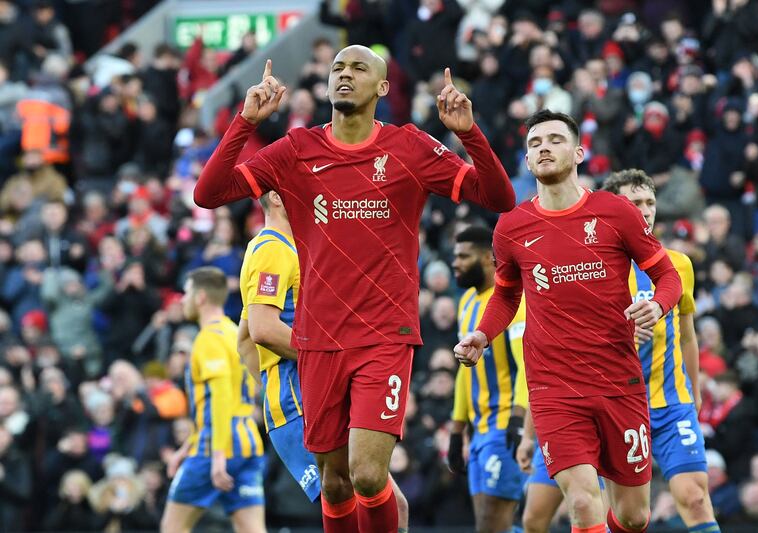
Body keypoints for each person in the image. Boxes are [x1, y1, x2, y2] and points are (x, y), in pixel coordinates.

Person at [194, 44, 515, 533]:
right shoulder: (296, 150)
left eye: (358, 68)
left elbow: (499, 197)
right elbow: (207, 193)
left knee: (368, 475)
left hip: (385, 335)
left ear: (383, 87)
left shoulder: (409, 147)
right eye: (337, 68)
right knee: (336, 483)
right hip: (318, 339)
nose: (344, 75)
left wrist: (469, 134)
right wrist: (245, 122)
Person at [455, 109, 682, 533]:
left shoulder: (616, 212)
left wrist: (658, 304)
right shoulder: (511, 227)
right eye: (535, 142)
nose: (544, 147)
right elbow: (506, 295)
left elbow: (666, 276)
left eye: (555, 139)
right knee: (580, 500)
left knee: (633, 517)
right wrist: (483, 334)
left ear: (578, 152)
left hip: (618, 379)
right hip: (555, 385)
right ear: (526, 161)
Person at [236, 191, 409, 530]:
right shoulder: (272, 249)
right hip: (298, 396)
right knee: (354, 499)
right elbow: (262, 329)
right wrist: (289, 389)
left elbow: (243, 337)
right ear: (275, 196)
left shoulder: (293, 248)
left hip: (314, 389)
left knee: (389, 504)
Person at [602, 169, 721, 533]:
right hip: (619, 403)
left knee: (695, 497)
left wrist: (696, 393)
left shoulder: (679, 264)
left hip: (672, 402)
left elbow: (687, 335)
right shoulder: (596, 267)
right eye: (634, 203)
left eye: (650, 202)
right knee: (631, 516)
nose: (645, 210)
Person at [160, 267, 265, 533]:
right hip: (248, 441)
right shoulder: (233, 332)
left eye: (186, 293)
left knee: (172, 528)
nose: (182, 300)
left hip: (216, 446)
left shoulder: (208, 339)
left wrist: (217, 455)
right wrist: (186, 447)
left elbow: (220, 397)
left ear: (201, 297)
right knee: (252, 530)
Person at [447, 226, 526, 533]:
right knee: (488, 524)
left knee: (493, 521)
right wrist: (457, 430)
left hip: (504, 425)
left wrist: (518, 419)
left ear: (487, 258)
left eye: (463, 256)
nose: (456, 263)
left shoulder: (512, 303)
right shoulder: (466, 302)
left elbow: (526, 367)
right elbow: (464, 370)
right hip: (479, 431)